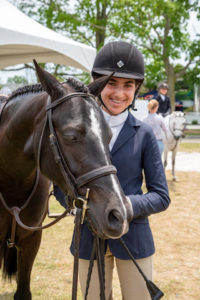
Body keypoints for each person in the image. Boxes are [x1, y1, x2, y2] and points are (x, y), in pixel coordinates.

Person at [70, 41, 170, 300]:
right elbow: (61, 184)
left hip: (133, 236)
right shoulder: (79, 132)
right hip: (89, 237)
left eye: (128, 85)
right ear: (97, 84)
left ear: (137, 89)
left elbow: (161, 195)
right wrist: (74, 203)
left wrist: (125, 205)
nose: (119, 93)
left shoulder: (145, 134)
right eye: (111, 83)